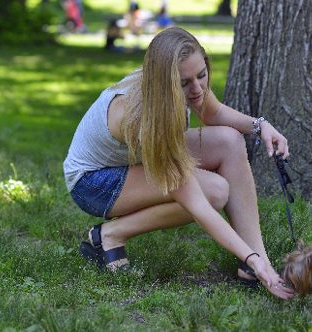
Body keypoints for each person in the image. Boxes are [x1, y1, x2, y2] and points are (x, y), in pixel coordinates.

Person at [63, 27, 294, 300]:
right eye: (185, 83)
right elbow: (195, 201)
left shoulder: (186, 84)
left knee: (231, 141)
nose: (197, 89)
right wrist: (248, 254)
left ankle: (255, 267)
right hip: (93, 182)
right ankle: (110, 234)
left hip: (133, 162)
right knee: (214, 191)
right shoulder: (138, 118)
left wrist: (260, 126)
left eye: (202, 75)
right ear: (165, 83)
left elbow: (214, 112)